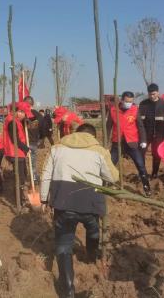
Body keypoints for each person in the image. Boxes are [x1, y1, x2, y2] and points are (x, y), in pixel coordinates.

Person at [40, 123, 118, 298]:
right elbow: (113, 177)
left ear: (75, 134)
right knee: (93, 228)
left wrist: (44, 198)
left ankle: (67, 288)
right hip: (90, 203)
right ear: (93, 136)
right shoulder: (99, 151)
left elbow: (46, 174)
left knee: (63, 245)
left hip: (63, 203)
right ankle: (91, 255)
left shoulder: (56, 148)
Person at [106, 91, 151, 196]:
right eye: (127, 101)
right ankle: (106, 183)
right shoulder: (113, 110)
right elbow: (108, 127)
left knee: (140, 165)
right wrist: (106, 141)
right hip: (117, 143)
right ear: (122, 100)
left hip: (132, 143)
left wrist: (143, 140)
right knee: (110, 163)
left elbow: (140, 126)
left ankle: (147, 188)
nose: (129, 103)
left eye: (131, 101)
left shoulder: (135, 109)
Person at [139, 83, 164, 179]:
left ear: (158, 93)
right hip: (145, 134)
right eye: (150, 94)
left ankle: (154, 173)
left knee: (157, 155)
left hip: (159, 135)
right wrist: (140, 135)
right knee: (141, 153)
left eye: (153, 94)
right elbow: (140, 122)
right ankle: (143, 173)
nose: (151, 96)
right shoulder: (143, 104)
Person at [3, 101, 33, 205]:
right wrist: (26, 148)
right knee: (20, 177)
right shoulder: (12, 121)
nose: (25, 116)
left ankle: (23, 197)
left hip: (19, 152)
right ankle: (19, 200)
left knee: (23, 175)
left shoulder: (15, 120)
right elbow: (15, 139)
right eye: (24, 114)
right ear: (19, 112)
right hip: (15, 152)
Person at [23, 96, 42, 183]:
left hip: (28, 142)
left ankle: (33, 179)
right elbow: (43, 127)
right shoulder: (38, 115)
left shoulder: (23, 114)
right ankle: (33, 178)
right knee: (32, 162)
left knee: (28, 162)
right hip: (32, 141)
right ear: (33, 103)